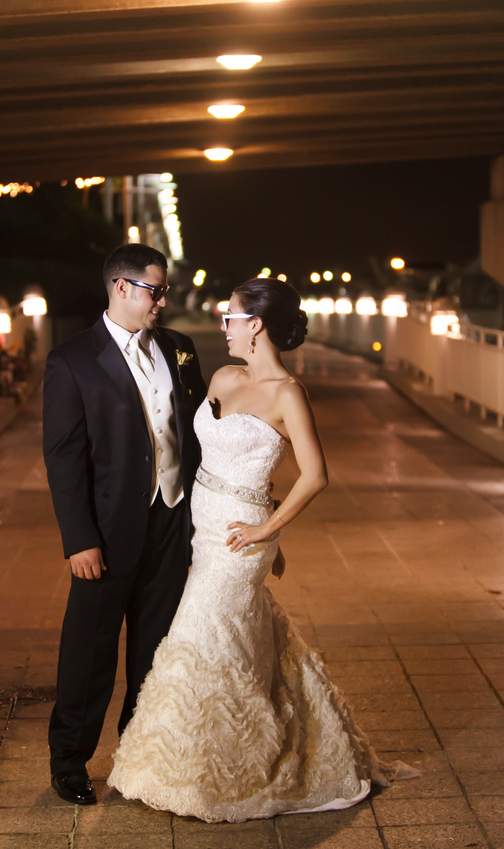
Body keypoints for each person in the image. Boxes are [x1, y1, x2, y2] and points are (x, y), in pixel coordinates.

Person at [108, 276, 418, 822]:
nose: (222, 324)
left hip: (238, 535)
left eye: (229, 316)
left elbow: (316, 475)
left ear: (255, 325)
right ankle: (193, 754)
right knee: (229, 632)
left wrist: (267, 529)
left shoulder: (287, 394)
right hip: (198, 523)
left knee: (204, 634)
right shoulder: (224, 376)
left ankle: (219, 765)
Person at [43, 243, 207, 805]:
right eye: (155, 291)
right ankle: (69, 761)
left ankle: (139, 756)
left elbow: (195, 435)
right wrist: (79, 539)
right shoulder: (71, 361)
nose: (163, 301)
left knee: (155, 650)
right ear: (121, 288)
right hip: (106, 533)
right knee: (89, 651)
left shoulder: (180, 350)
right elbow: (63, 458)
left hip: (170, 520)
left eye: (164, 291)